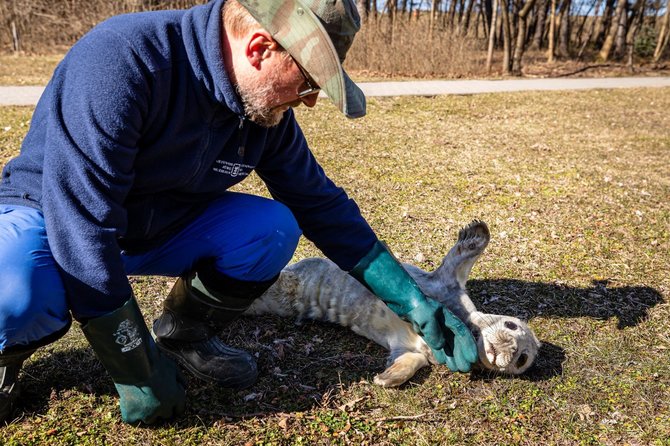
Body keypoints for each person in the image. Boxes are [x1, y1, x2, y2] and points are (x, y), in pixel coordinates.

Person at [0, 0, 477, 425]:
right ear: (259, 49)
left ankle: (185, 333)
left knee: (271, 228)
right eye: (308, 82)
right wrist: (135, 366)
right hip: (51, 220)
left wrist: (412, 300)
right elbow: (82, 221)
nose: (309, 100)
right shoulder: (124, 60)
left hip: (155, 230)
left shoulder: (262, 113)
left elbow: (321, 204)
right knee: (16, 288)